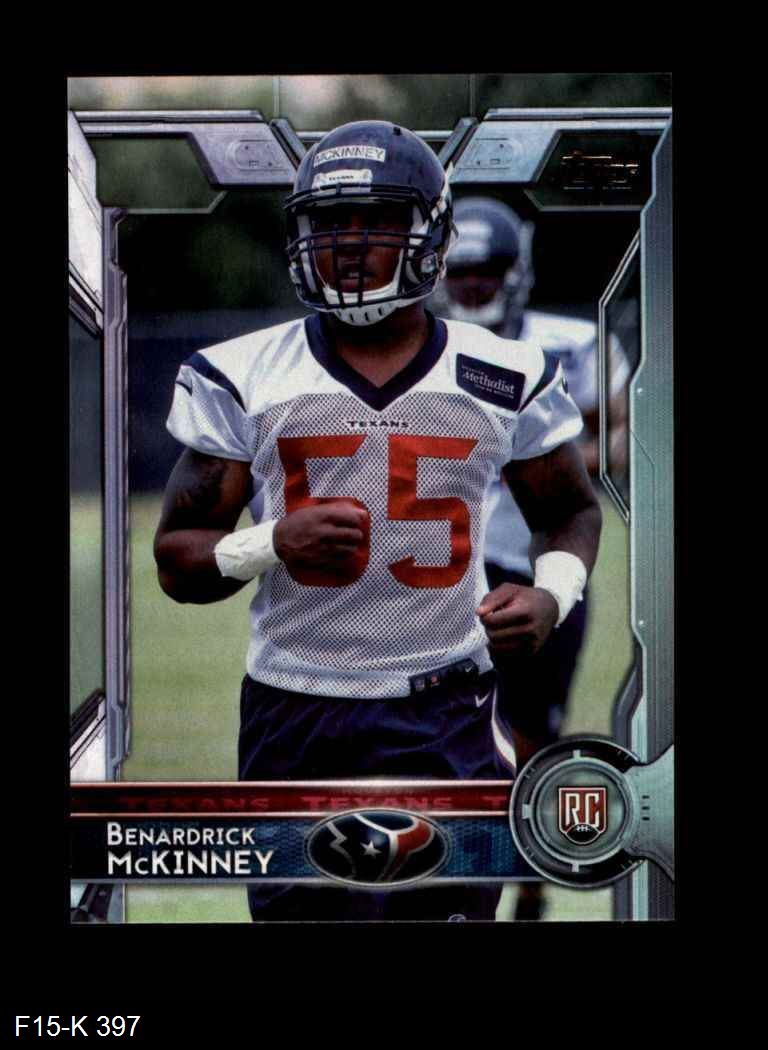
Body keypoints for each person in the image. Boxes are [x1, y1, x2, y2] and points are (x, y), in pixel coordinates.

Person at [154, 122, 602, 922]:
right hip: (295, 708)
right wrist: (270, 542)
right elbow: (176, 560)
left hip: (446, 711)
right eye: (329, 223)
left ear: (431, 234)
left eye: (378, 221)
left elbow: (569, 508)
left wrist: (552, 594)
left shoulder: (502, 372)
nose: (350, 245)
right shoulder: (244, 373)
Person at [438, 196, 629, 920]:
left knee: (537, 727)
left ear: (515, 272)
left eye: (485, 272)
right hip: (453, 569)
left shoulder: (570, 344)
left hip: (547, 561)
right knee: (456, 724)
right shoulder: (425, 349)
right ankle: (469, 866)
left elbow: (619, 436)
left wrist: (541, 457)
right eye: (461, 273)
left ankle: (528, 877)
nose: (473, 286)